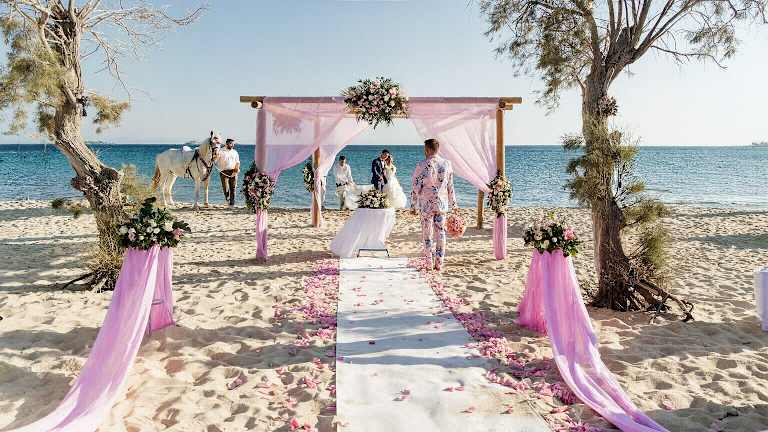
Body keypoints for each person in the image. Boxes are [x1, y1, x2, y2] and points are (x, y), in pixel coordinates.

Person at [410, 138, 458, 271]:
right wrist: (454, 204)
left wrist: (413, 205)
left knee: (427, 234)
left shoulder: (421, 165)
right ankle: (439, 263)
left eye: (424, 149)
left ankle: (429, 263)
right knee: (441, 233)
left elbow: (415, 187)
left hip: (426, 205)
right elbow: (450, 186)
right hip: (441, 205)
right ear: (438, 149)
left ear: (427, 149)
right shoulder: (447, 164)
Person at [216, 138, 240, 207]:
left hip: (233, 171)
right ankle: (228, 200)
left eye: (233, 144)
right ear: (226, 144)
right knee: (225, 188)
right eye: (231, 144)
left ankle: (232, 203)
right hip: (223, 171)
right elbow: (215, 160)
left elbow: (237, 162)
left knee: (233, 188)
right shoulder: (220, 151)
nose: (232, 145)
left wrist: (236, 171)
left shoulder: (235, 152)